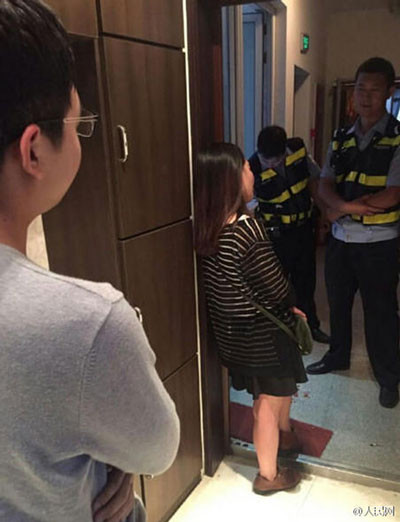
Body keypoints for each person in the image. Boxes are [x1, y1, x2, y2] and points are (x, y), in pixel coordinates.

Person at [0, 1, 180, 521]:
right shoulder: (87, 326)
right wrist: (111, 463)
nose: (82, 141)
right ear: (34, 150)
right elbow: (157, 450)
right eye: (79, 125)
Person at [194, 142, 307, 494]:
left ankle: (285, 437)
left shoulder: (207, 227)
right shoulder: (247, 229)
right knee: (267, 405)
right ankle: (269, 476)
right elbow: (276, 287)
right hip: (263, 334)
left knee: (271, 393)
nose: (252, 173)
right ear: (230, 178)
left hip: (233, 334)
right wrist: (292, 304)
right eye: (246, 167)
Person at [306, 57, 400, 409]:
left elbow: (393, 194)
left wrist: (341, 209)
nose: (365, 97)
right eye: (361, 89)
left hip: (379, 244)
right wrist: (344, 207)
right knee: (338, 305)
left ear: (389, 93)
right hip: (340, 242)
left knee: (381, 313)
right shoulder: (341, 137)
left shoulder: (396, 138)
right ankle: (338, 356)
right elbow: (324, 183)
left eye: (375, 90)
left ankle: (389, 377)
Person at [249, 126, 330, 344]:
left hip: (303, 229)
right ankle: (280, 332)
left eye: (276, 160)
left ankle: (310, 327)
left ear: (284, 150)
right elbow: (248, 206)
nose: (271, 165)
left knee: (306, 282)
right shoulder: (252, 168)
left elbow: (314, 183)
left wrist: (324, 214)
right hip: (276, 236)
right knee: (278, 285)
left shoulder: (298, 151)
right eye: (266, 160)